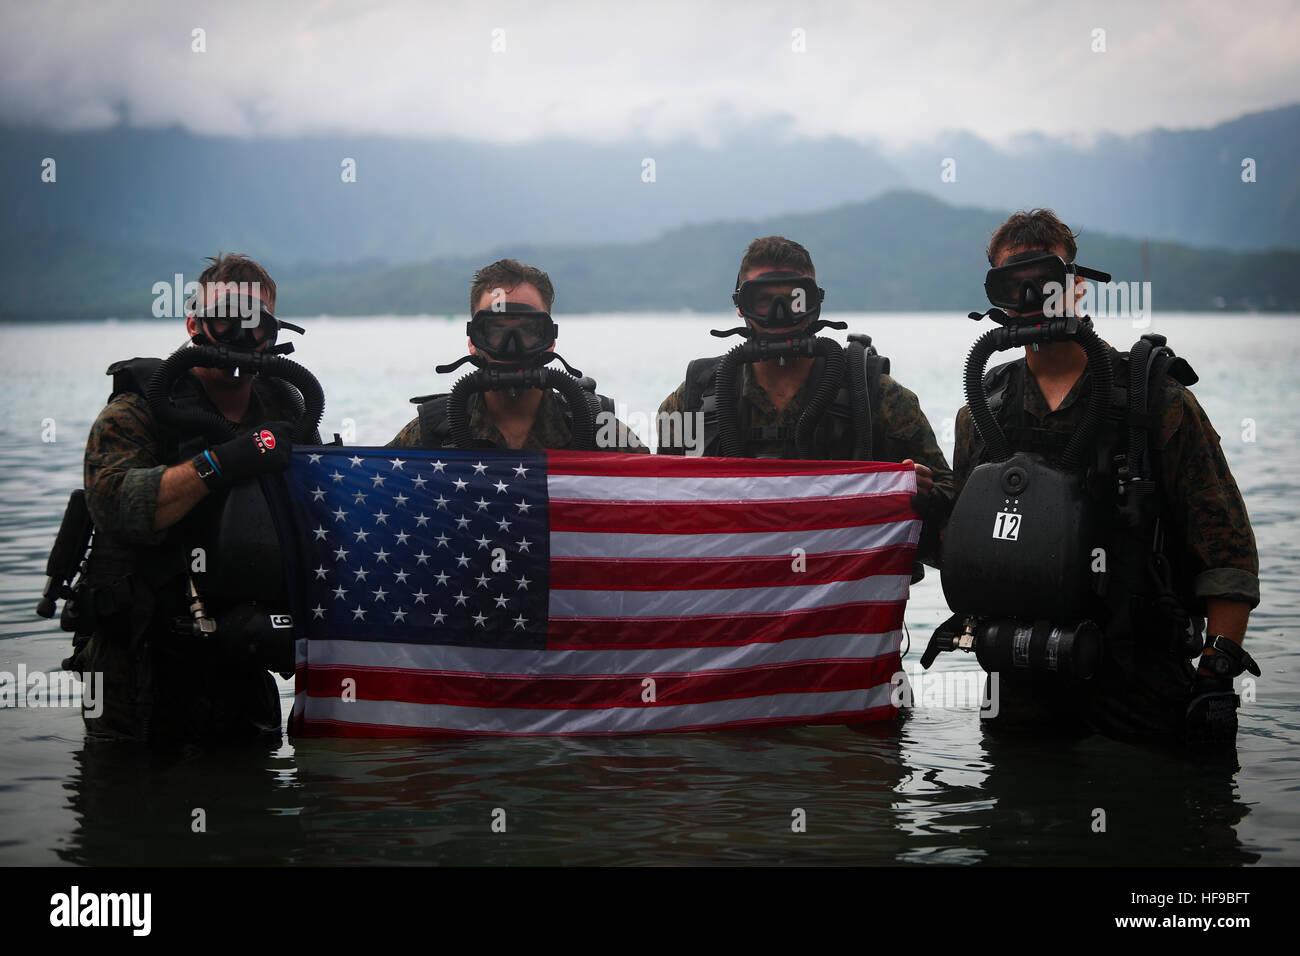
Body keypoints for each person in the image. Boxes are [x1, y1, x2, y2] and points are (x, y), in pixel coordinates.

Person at [941, 208, 1259, 750]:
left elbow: (1226, 551)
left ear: (1077, 286)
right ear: (997, 296)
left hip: (1140, 682)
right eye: (1013, 284)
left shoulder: (1153, 401)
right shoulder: (983, 411)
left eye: (1045, 282)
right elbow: (965, 545)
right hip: (1022, 684)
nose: (1031, 298)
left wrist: (1216, 673)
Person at [64, 253, 324, 743]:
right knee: (125, 787)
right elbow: (116, 506)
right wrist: (222, 462)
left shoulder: (287, 412)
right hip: (138, 667)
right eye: (225, 320)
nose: (240, 335)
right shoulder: (140, 409)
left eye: (254, 323)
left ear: (272, 333)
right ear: (194, 324)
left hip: (244, 660)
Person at [656, 236, 953, 566]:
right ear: (741, 306)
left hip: (843, 588)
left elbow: (951, 510)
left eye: (795, 300)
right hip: (729, 586)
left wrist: (919, 492)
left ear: (815, 303)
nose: (780, 314)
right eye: (764, 301)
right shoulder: (692, 402)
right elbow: (657, 506)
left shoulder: (875, 396)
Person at [389, 258, 647, 452]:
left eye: (528, 331)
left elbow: (653, 491)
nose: (511, 348)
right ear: (473, 341)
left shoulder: (598, 430)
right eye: (495, 331)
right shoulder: (432, 434)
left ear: (549, 340)